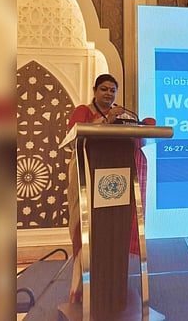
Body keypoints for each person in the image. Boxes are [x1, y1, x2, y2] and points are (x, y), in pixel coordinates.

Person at [65, 74, 149, 304]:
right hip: (87, 175)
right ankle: (81, 290)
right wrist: (108, 120)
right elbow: (75, 137)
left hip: (115, 179)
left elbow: (137, 141)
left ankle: (111, 286)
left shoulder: (122, 116)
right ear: (94, 90)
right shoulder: (83, 111)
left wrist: (135, 127)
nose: (109, 94)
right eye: (104, 89)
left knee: (112, 232)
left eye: (113, 90)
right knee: (87, 231)